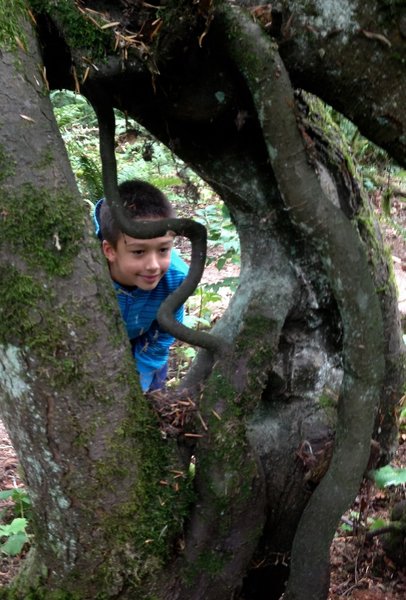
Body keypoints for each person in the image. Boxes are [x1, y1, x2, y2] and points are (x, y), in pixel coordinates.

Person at [93, 179, 189, 392]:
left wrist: (141, 377)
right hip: (99, 348)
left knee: (150, 399)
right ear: (109, 251)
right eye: (139, 252)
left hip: (148, 345)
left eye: (163, 249)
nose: (154, 266)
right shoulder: (89, 274)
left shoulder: (175, 278)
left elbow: (165, 331)